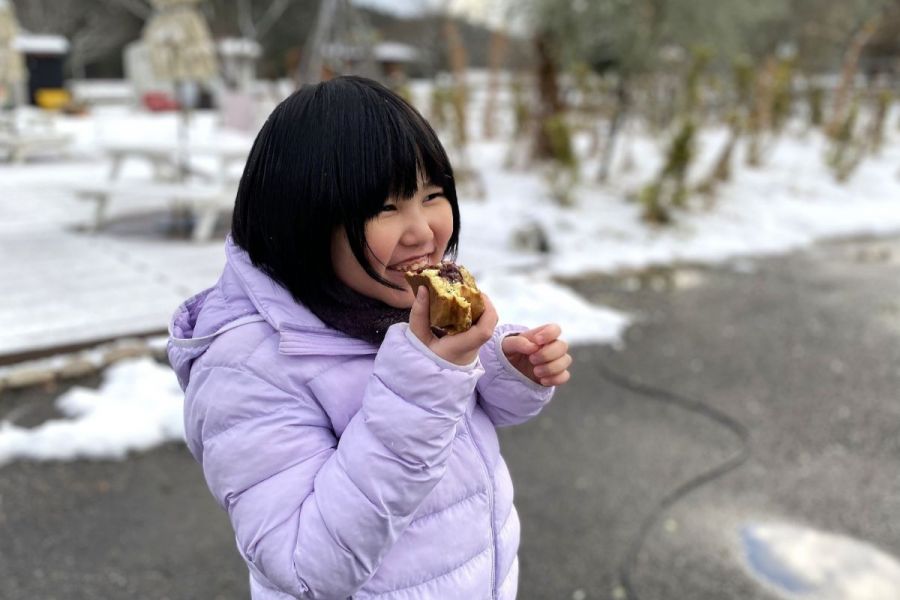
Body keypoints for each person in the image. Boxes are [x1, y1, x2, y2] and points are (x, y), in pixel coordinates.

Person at [167, 75, 572, 599]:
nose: (423, 230)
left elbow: (469, 419)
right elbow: (305, 566)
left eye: (432, 195)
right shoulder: (246, 365)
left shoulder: (391, 296)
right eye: (385, 208)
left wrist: (505, 366)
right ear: (305, 220)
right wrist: (427, 376)